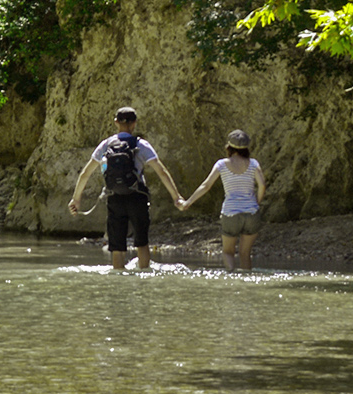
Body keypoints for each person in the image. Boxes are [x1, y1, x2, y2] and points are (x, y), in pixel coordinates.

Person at [67, 106, 184, 270]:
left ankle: (119, 283)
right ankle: (144, 277)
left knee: (117, 246)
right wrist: (176, 197)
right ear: (134, 123)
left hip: (114, 197)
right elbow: (162, 172)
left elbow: (85, 173)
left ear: (116, 122)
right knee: (142, 242)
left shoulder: (106, 145)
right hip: (138, 197)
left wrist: (76, 199)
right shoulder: (141, 145)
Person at [177, 129, 267, 271]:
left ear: (229, 147)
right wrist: (257, 202)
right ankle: (247, 283)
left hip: (230, 213)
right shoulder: (254, 164)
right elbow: (262, 184)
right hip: (251, 213)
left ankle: (231, 278)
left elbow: (206, 186)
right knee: (245, 253)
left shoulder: (222, 164)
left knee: (228, 252)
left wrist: (188, 202)